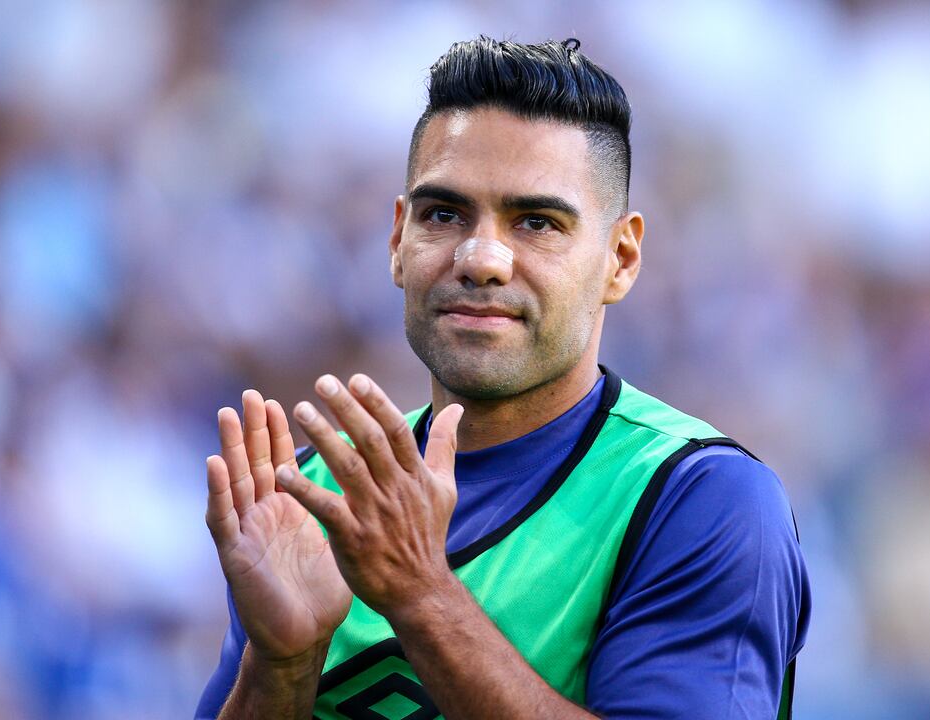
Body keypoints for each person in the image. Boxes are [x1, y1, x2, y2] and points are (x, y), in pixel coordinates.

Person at [196, 36, 809, 719]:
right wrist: (281, 665)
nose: (482, 257)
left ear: (621, 257)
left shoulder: (700, 499)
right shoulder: (311, 498)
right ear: (398, 241)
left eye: (537, 222)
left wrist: (420, 593)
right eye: (443, 214)